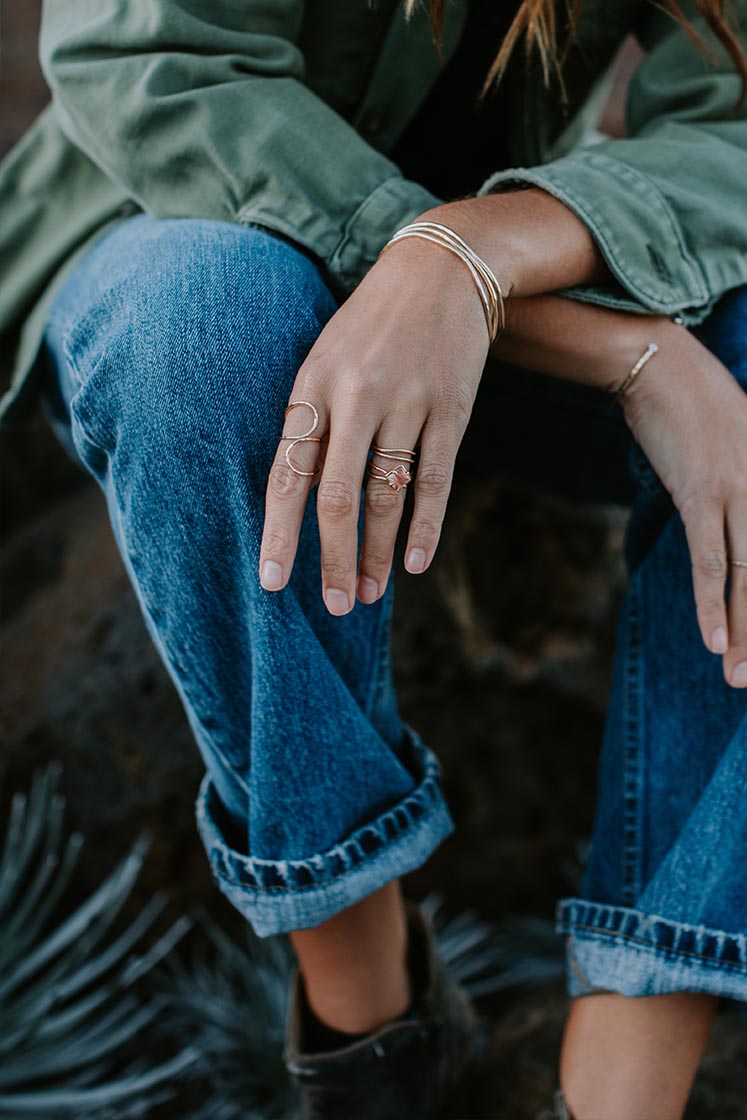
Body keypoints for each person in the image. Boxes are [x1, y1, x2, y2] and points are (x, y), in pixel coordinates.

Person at [1, 0, 746, 1116]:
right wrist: (582, 329)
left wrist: (481, 256)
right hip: (171, 225)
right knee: (203, 320)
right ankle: (374, 1035)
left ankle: (622, 1085)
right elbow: (146, 57)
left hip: (496, 311)